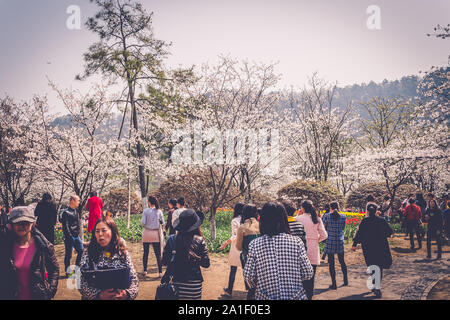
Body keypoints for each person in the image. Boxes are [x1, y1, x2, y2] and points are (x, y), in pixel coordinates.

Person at [243, 202, 314, 300]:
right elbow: (308, 273)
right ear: (284, 219)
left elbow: (248, 276)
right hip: (296, 296)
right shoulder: (297, 242)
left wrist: (260, 284)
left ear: (263, 220)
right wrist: (293, 278)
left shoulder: (255, 244)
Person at [0, 206, 59, 300]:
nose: (22, 226)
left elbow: (54, 268)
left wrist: (50, 290)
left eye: (26, 223)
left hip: (38, 296)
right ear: (11, 224)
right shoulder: (5, 246)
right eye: (18, 223)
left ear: (33, 223)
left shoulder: (42, 245)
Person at [79, 217, 139, 300]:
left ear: (113, 232)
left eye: (104, 230)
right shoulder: (88, 253)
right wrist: (98, 295)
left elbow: (134, 278)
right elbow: (80, 281)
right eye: (97, 231)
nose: (100, 234)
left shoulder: (122, 252)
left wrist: (127, 294)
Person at [161, 209, 210, 300]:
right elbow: (206, 264)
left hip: (175, 283)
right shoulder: (199, 240)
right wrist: (195, 257)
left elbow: (164, 261)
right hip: (194, 285)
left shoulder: (171, 239)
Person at [352, 202, 393, 298]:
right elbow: (390, 232)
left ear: (367, 211)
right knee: (379, 266)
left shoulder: (365, 221)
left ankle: (376, 286)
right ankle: (376, 286)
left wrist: (354, 244)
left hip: (368, 247)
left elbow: (359, 234)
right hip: (381, 246)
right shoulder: (381, 221)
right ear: (376, 211)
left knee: (372, 266)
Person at [297, 200, 328, 299]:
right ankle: (309, 296)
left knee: (299, 278)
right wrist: (316, 240)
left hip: (300, 249)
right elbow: (324, 235)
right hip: (313, 249)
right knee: (311, 277)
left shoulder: (297, 218)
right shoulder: (317, 219)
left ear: (303, 208)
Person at [235, 204, 260, 300]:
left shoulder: (242, 228)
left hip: (248, 260)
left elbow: (239, 247)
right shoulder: (261, 225)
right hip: (263, 259)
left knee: (251, 289)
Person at [322, 201, 348, 290]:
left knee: (331, 264)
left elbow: (323, 227)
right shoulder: (343, 216)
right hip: (340, 241)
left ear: (330, 207)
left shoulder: (327, 216)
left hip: (330, 241)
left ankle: (334, 284)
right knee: (342, 261)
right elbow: (343, 228)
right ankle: (345, 280)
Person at [223, 202, 244, 297]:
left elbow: (235, 235)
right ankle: (250, 291)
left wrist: (226, 242)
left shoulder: (235, 220)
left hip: (236, 247)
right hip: (245, 246)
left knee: (233, 269)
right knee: (246, 269)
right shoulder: (246, 220)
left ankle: (229, 290)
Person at [60, 195, 84, 277]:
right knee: (68, 255)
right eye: (78, 200)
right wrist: (69, 236)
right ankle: (68, 272)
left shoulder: (76, 211)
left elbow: (77, 224)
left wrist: (78, 234)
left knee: (81, 250)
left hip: (76, 236)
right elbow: (65, 227)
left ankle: (76, 269)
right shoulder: (66, 213)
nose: (79, 202)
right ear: (72, 201)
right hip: (69, 237)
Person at [141, 196, 165, 278]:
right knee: (158, 254)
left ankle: (145, 270)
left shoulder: (145, 211)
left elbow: (143, 223)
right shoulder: (159, 211)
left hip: (147, 233)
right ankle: (160, 272)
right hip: (155, 234)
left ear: (149, 202)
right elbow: (163, 222)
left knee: (146, 253)